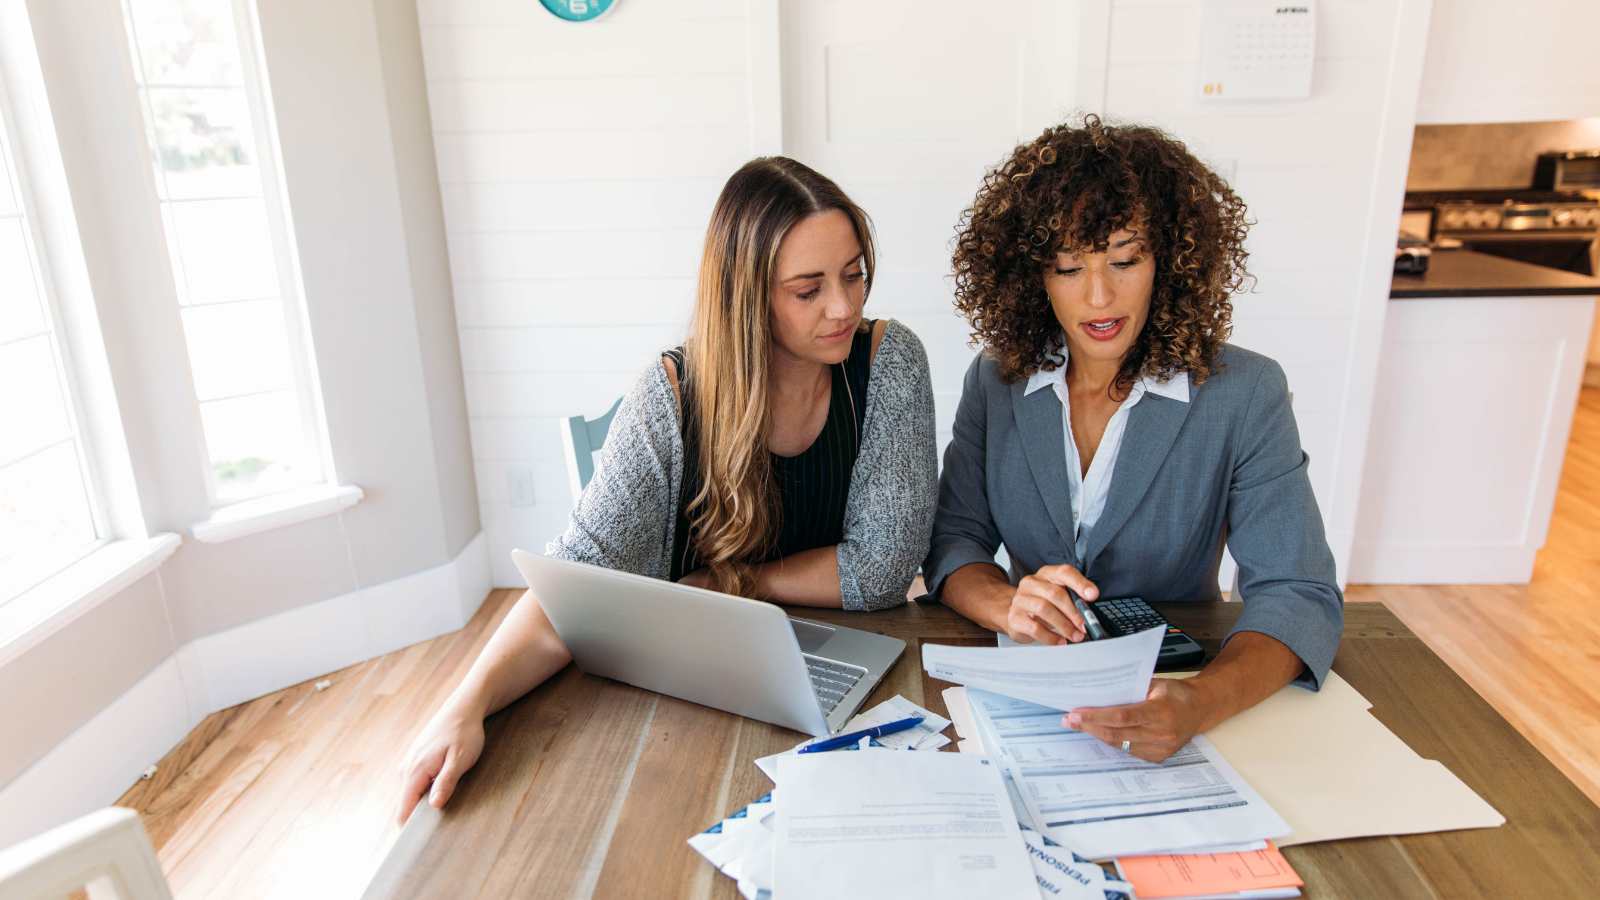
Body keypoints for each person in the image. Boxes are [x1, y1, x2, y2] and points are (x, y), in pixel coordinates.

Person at [396, 157, 938, 822]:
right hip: (686, 690)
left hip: (834, 667)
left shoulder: (889, 362)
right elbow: (572, 586)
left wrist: (731, 583)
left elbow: (882, 572)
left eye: (854, 273)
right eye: (808, 289)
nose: (844, 306)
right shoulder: (671, 398)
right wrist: (464, 707)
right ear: (747, 295)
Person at [925, 116, 1343, 763]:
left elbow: (1298, 592)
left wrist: (1201, 702)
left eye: (1125, 259)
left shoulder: (1244, 393)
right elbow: (956, 540)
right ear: (1032, 274)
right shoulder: (997, 380)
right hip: (1029, 698)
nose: (1099, 295)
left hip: (1177, 690)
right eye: (1068, 267)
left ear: (1170, 261)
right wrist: (1008, 604)